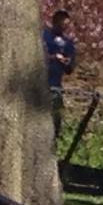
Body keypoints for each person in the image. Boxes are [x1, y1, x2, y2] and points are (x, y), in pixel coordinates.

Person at [43, 9, 76, 137]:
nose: (64, 28)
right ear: (54, 22)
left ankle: (55, 140)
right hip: (40, 82)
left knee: (56, 115)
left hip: (56, 85)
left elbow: (70, 68)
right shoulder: (44, 37)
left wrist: (66, 61)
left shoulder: (68, 43)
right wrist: (52, 57)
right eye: (61, 25)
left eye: (66, 26)